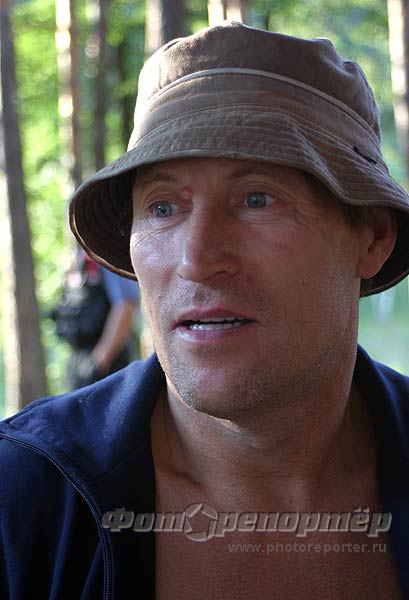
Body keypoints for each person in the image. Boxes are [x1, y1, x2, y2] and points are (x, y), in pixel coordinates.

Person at [1, 22, 409, 600]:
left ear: (373, 236)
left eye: (257, 199)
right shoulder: (24, 499)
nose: (196, 260)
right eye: (162, 207)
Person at [53, 247, 139, 390]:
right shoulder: (79, 255)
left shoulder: (109, 253)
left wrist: (99, 361)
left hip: (106, 364)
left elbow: (126, 307)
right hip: (78, 359)